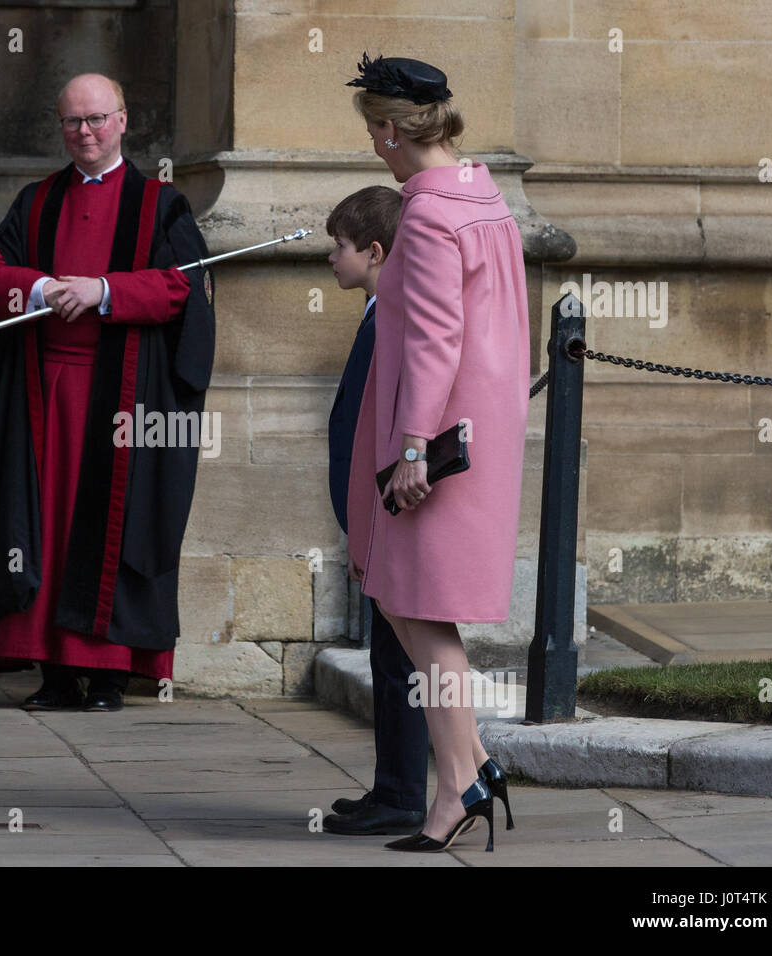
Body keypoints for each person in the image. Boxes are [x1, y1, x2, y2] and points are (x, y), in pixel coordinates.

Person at [0, 73, 215, 713]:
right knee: (46, 524)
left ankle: (107, 674)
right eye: (73, 122)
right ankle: (53, 672)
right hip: (45, 396)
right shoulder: (37, 201)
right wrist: (45, 289)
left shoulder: (161, 204)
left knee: (112, 525)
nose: (86, 133)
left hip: (126, 397)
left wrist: (104, 292)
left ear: (124, 121)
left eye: (98, 119)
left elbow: (185, 288)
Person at [344, 55, 526, 852]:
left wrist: (413, 446)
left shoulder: (425, 215)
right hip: (477, 432)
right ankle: (471, 766)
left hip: (436, 440)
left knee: (417, 606)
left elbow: (433, 343)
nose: (374, 148)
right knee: (404, 599)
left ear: (390, 129)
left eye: (372, 132)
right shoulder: (482, 194)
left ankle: (459, 785)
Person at [318, 186, 430, 837]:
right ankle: (391, 784)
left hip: (390, 515)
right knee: (386, 658)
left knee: (400, 661)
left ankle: (406, 793)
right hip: (371, 518)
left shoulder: (397, 318)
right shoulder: (375, 314)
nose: (331, 258)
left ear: (376, 250)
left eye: (340, 246)